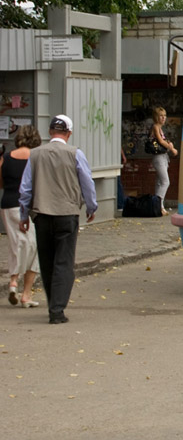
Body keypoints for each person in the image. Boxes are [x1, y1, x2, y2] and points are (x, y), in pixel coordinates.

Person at [18, 114, 98, 324]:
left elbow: (25, 188)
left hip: (41, 215)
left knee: (47, 262)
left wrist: (23, 215)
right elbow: (87, 182)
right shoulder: (75, 154)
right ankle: (57, 310)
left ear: (50, 132)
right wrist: (91, 207)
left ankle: (53, 303)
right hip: (67, 213)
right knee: (63, 261)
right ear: (69, 133)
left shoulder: (35, 154)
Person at [2, 124, 42, 307]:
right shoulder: (36, 158)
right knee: (34, 248)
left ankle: (13, 282)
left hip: (8, 204)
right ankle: (26, 294)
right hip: (31, 206)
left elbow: (0, 181)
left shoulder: (6, 158)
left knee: (15, 244)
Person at [150, 106, 178, 216]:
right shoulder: (155, 127)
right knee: (166, 181)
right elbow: (160, 141)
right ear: (156, 117)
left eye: (164, 116)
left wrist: (169, 144)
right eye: (161, 116)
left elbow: (164, 140)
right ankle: (158, 206)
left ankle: (158, 206)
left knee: (159, 182)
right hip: (158, 158)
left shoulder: (160, 128)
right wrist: (172, 148)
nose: (163, 118)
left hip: (163, 157)